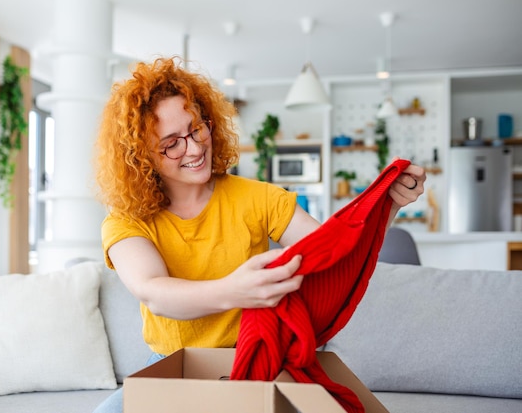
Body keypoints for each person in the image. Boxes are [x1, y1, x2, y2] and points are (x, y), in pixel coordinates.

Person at [92, 57, 426, 413]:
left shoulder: (259, 197)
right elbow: (154, 291)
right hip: (174, 367)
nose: (193, 147)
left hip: (262, 364)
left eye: (196, 128)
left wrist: (387, 206)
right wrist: (235, 291)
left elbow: (335, 256)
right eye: (172, 143)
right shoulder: (127, 221)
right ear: (142, 157)